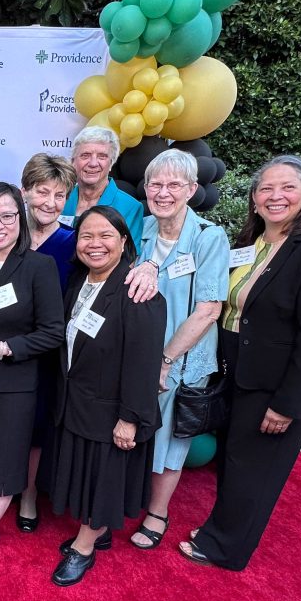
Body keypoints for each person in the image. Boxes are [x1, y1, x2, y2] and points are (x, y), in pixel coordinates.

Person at [180, 155, 301, 571]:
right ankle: (221, 529)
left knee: (255, 469)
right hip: (238, 370)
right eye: (266, 189)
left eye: (287, 187)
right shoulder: (252, 241)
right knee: (235, 459)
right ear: (255, 199)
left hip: (277, 383)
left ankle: (225, 548)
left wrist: (287, 404)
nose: (276, 196)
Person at [48, 206, 166, 586]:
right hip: (80, 406)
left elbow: (143, 364)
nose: (94, 244)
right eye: (86, 236)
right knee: (89, 479)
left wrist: (129, 419)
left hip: (113, 413)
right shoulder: (78, 282)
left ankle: (83, 549)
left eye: (105, 236)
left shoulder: (138, 292)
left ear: (124, 241)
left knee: (103, 480)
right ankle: (97, 531)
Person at [0, 182, 65, 568]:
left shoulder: (38, 266)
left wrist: (6, 347)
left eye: (7, 216)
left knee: (3, 457)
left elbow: (53, 332)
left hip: (12, 381)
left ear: (20, 218)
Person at [129, 150, 229, 551]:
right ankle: (130, 499)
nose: (163, 193)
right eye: (155, 184)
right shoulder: (141, 228)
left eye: (174, 185)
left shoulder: (208, 238)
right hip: (138, 353)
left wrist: (165, 360)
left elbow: (208, 310)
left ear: (191, 190)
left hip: (180, 360)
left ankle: (157, 512)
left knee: (170, 439)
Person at [17, 153, 78, 532]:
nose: (50, 203)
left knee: (39, 425)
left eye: (59, 195)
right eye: (42, 192)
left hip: (51, 350)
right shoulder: (9, 234)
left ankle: (27, 495)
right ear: (25, 191)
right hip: (4, 346)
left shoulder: (74, 243)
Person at [59, 127, 144, 250]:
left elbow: (129, 256)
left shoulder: (130, 207)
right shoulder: (59, 199)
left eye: (102, 156)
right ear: (73, 162)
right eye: (85, 155)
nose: (93, 163)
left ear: (111, 163)